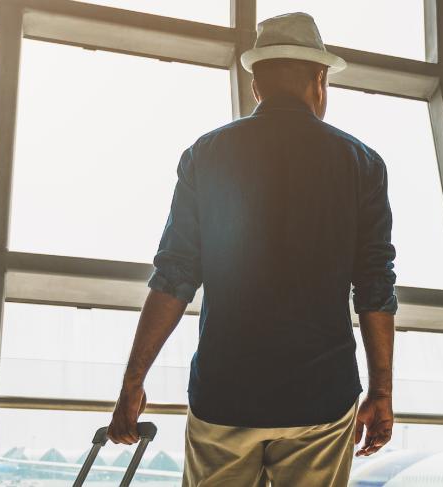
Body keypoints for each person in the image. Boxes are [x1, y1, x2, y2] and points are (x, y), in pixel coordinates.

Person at [105, 12, 398, 487]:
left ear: (257, 85)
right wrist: (381, 391)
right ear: (319, 80)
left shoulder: (206, 155)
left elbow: (174, 275)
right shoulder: (362, 164)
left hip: (225, 397)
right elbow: (375, 286)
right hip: (320, 400)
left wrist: (132, 382)